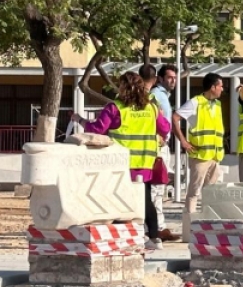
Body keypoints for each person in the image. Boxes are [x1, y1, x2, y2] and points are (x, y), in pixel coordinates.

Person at [73, 71, 170, 251]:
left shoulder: (115, 107)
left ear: (123, 87)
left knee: (118, 200)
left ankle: (125, 235)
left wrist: (80, 120)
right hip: (145, 162)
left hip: (121, 164)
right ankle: (154, 237)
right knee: (146, 199)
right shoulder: (151, 108)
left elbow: (97, 129)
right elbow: (165, 128)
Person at [176, 73, 225, 229]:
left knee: (210, 193)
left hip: (215, 156)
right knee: (194, 192)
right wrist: (183, 141)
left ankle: (207, 225)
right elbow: (175, 118)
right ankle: (190, 227)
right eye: (221, 86)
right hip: (200, 156)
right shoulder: (195, 102)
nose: (222, 89)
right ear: (213, 87)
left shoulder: (217, 104)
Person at [149, 63, 179, 241]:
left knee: (159, 190)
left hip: (163, 146)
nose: (173, 81)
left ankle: (158, 226)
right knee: (156, 189)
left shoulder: (164, 96)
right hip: (157, 148)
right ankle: (156, 228)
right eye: (169, 77)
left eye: (175, 78)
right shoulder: (155, 95)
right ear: (160, 78)